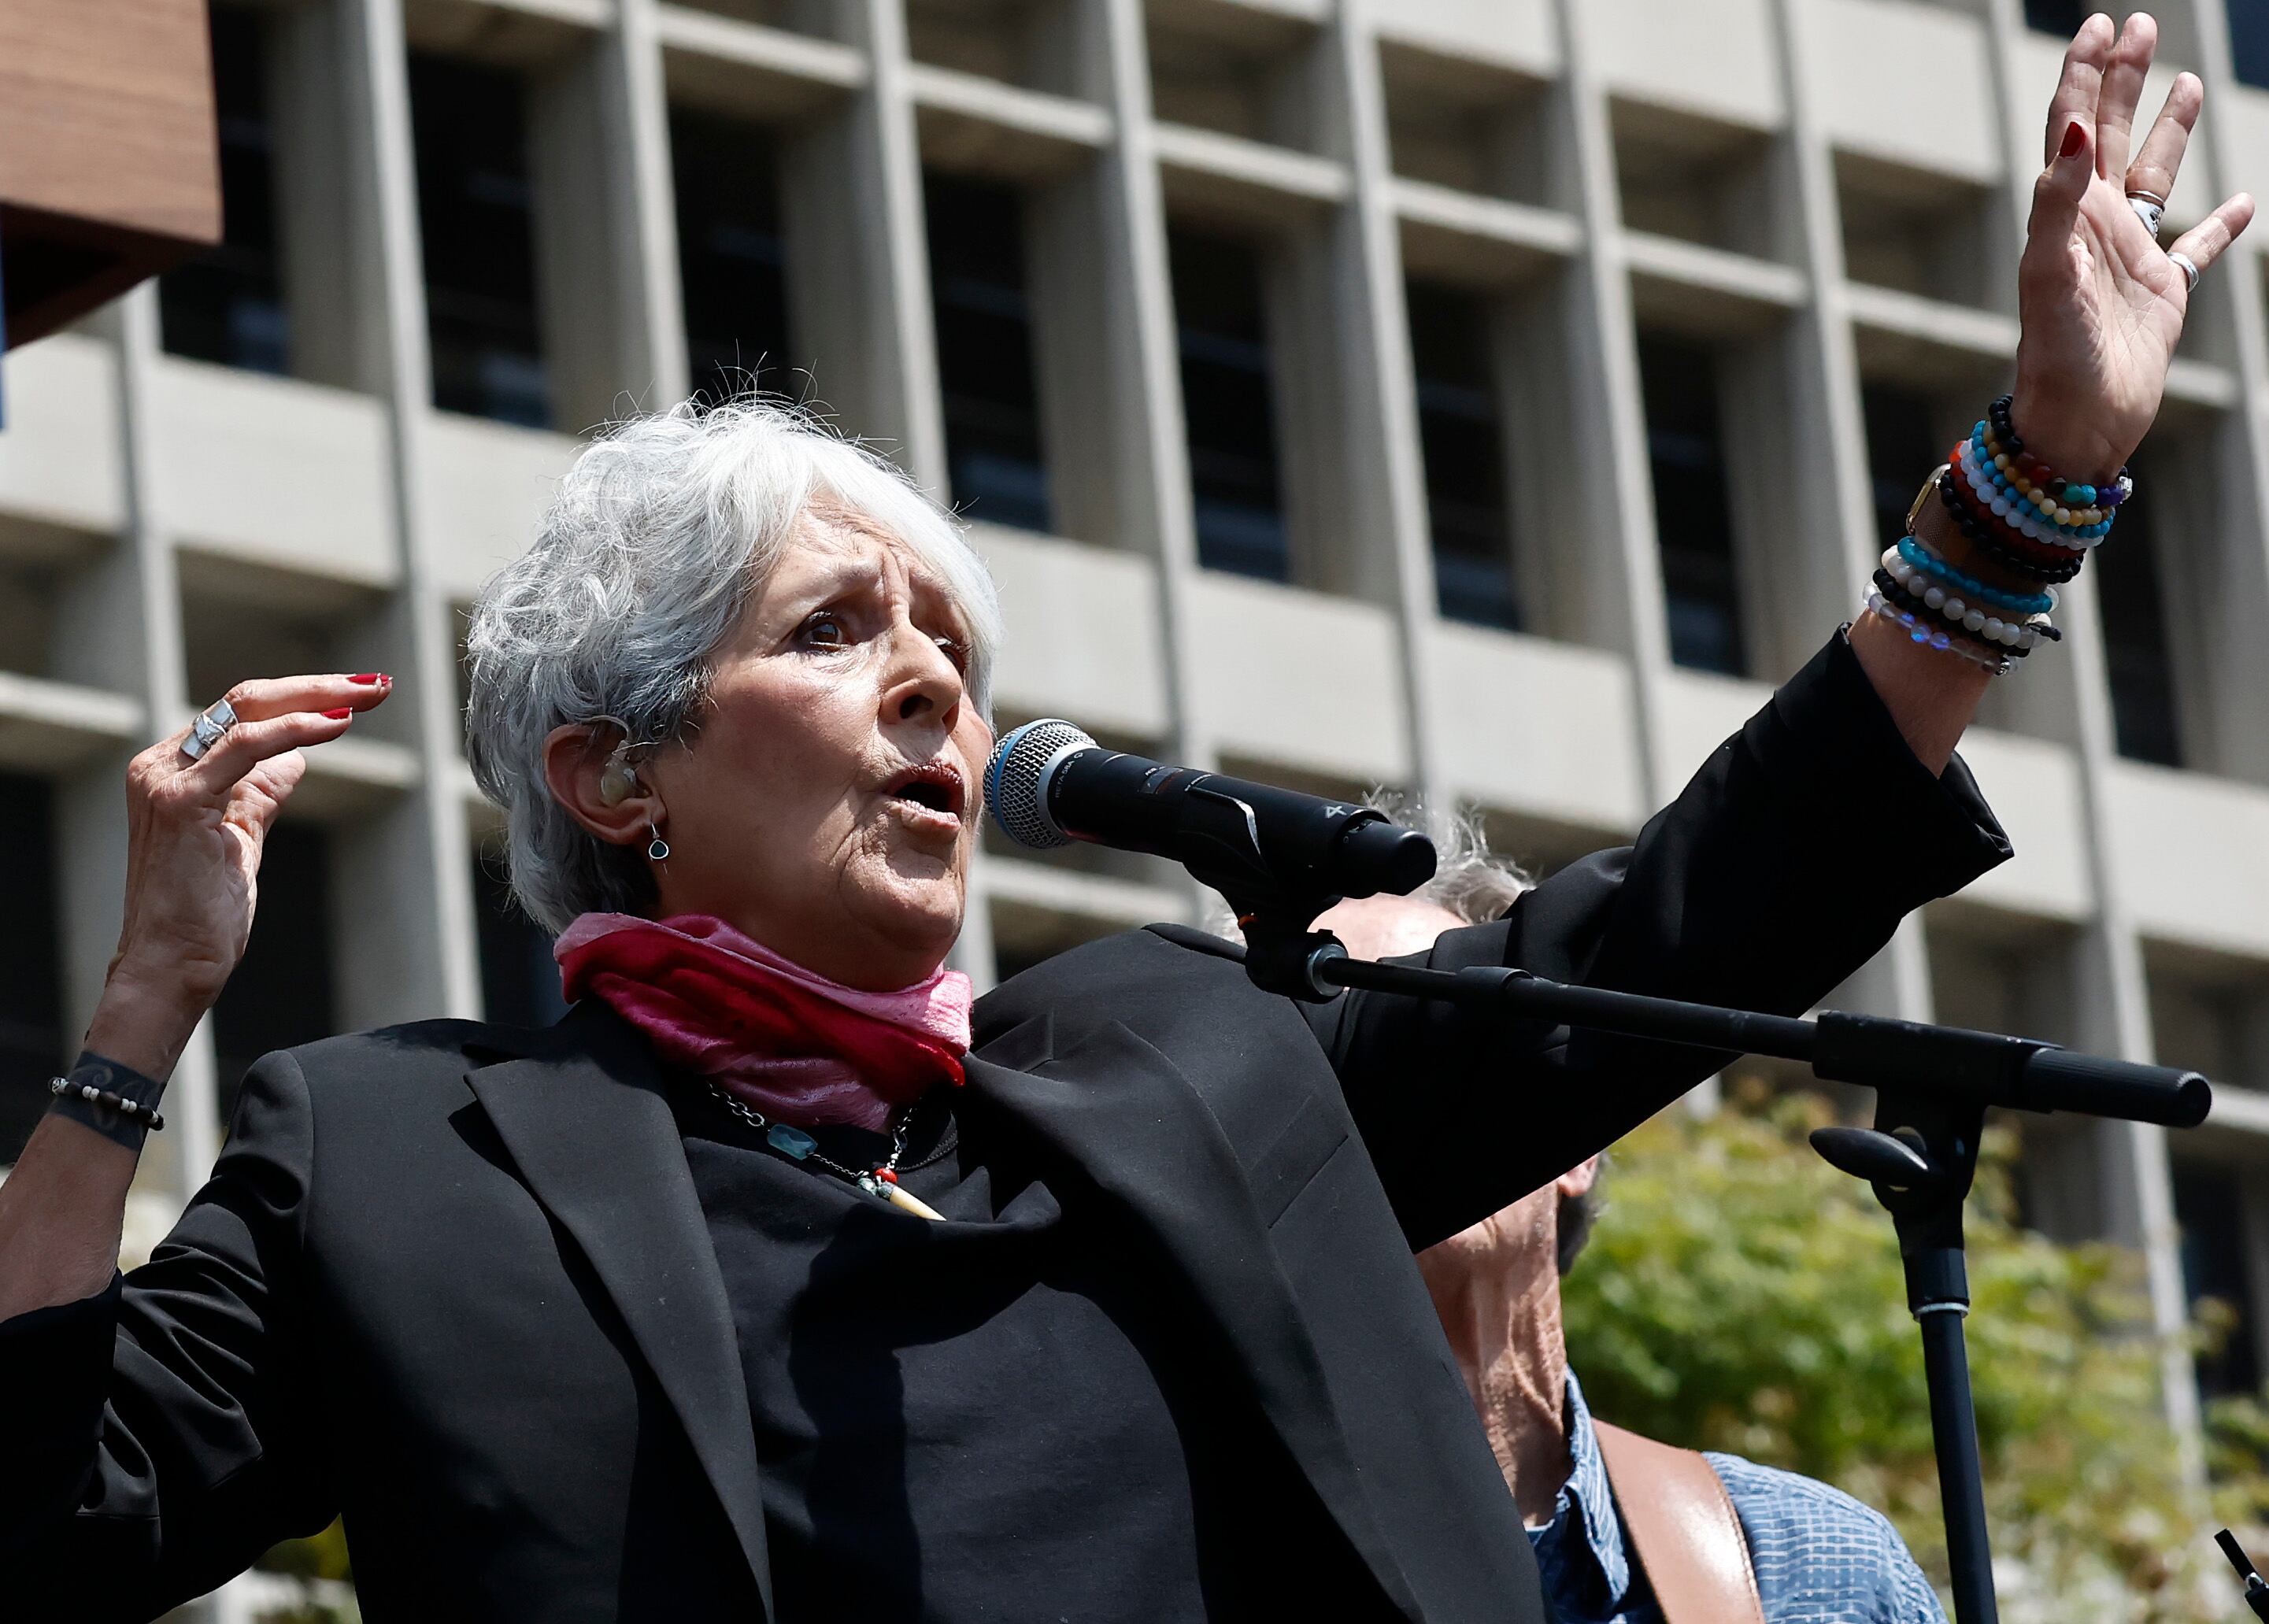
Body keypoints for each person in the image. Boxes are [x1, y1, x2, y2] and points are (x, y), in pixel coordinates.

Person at [0, 16, 2243, 1621]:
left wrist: (2039, 469)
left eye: (948, 648)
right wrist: (138, 1020)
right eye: (832, 629)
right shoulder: (393, 1157)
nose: (927, 682)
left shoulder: (1176, 1057)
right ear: (619, 770)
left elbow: (1676, 917)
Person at [1319, 874, 1947, 1624]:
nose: (1377, 1100)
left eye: (1428, 1036)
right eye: (1319, 1056)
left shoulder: (1818, 1571)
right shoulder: (1175, 1558)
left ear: (1573, 1148)